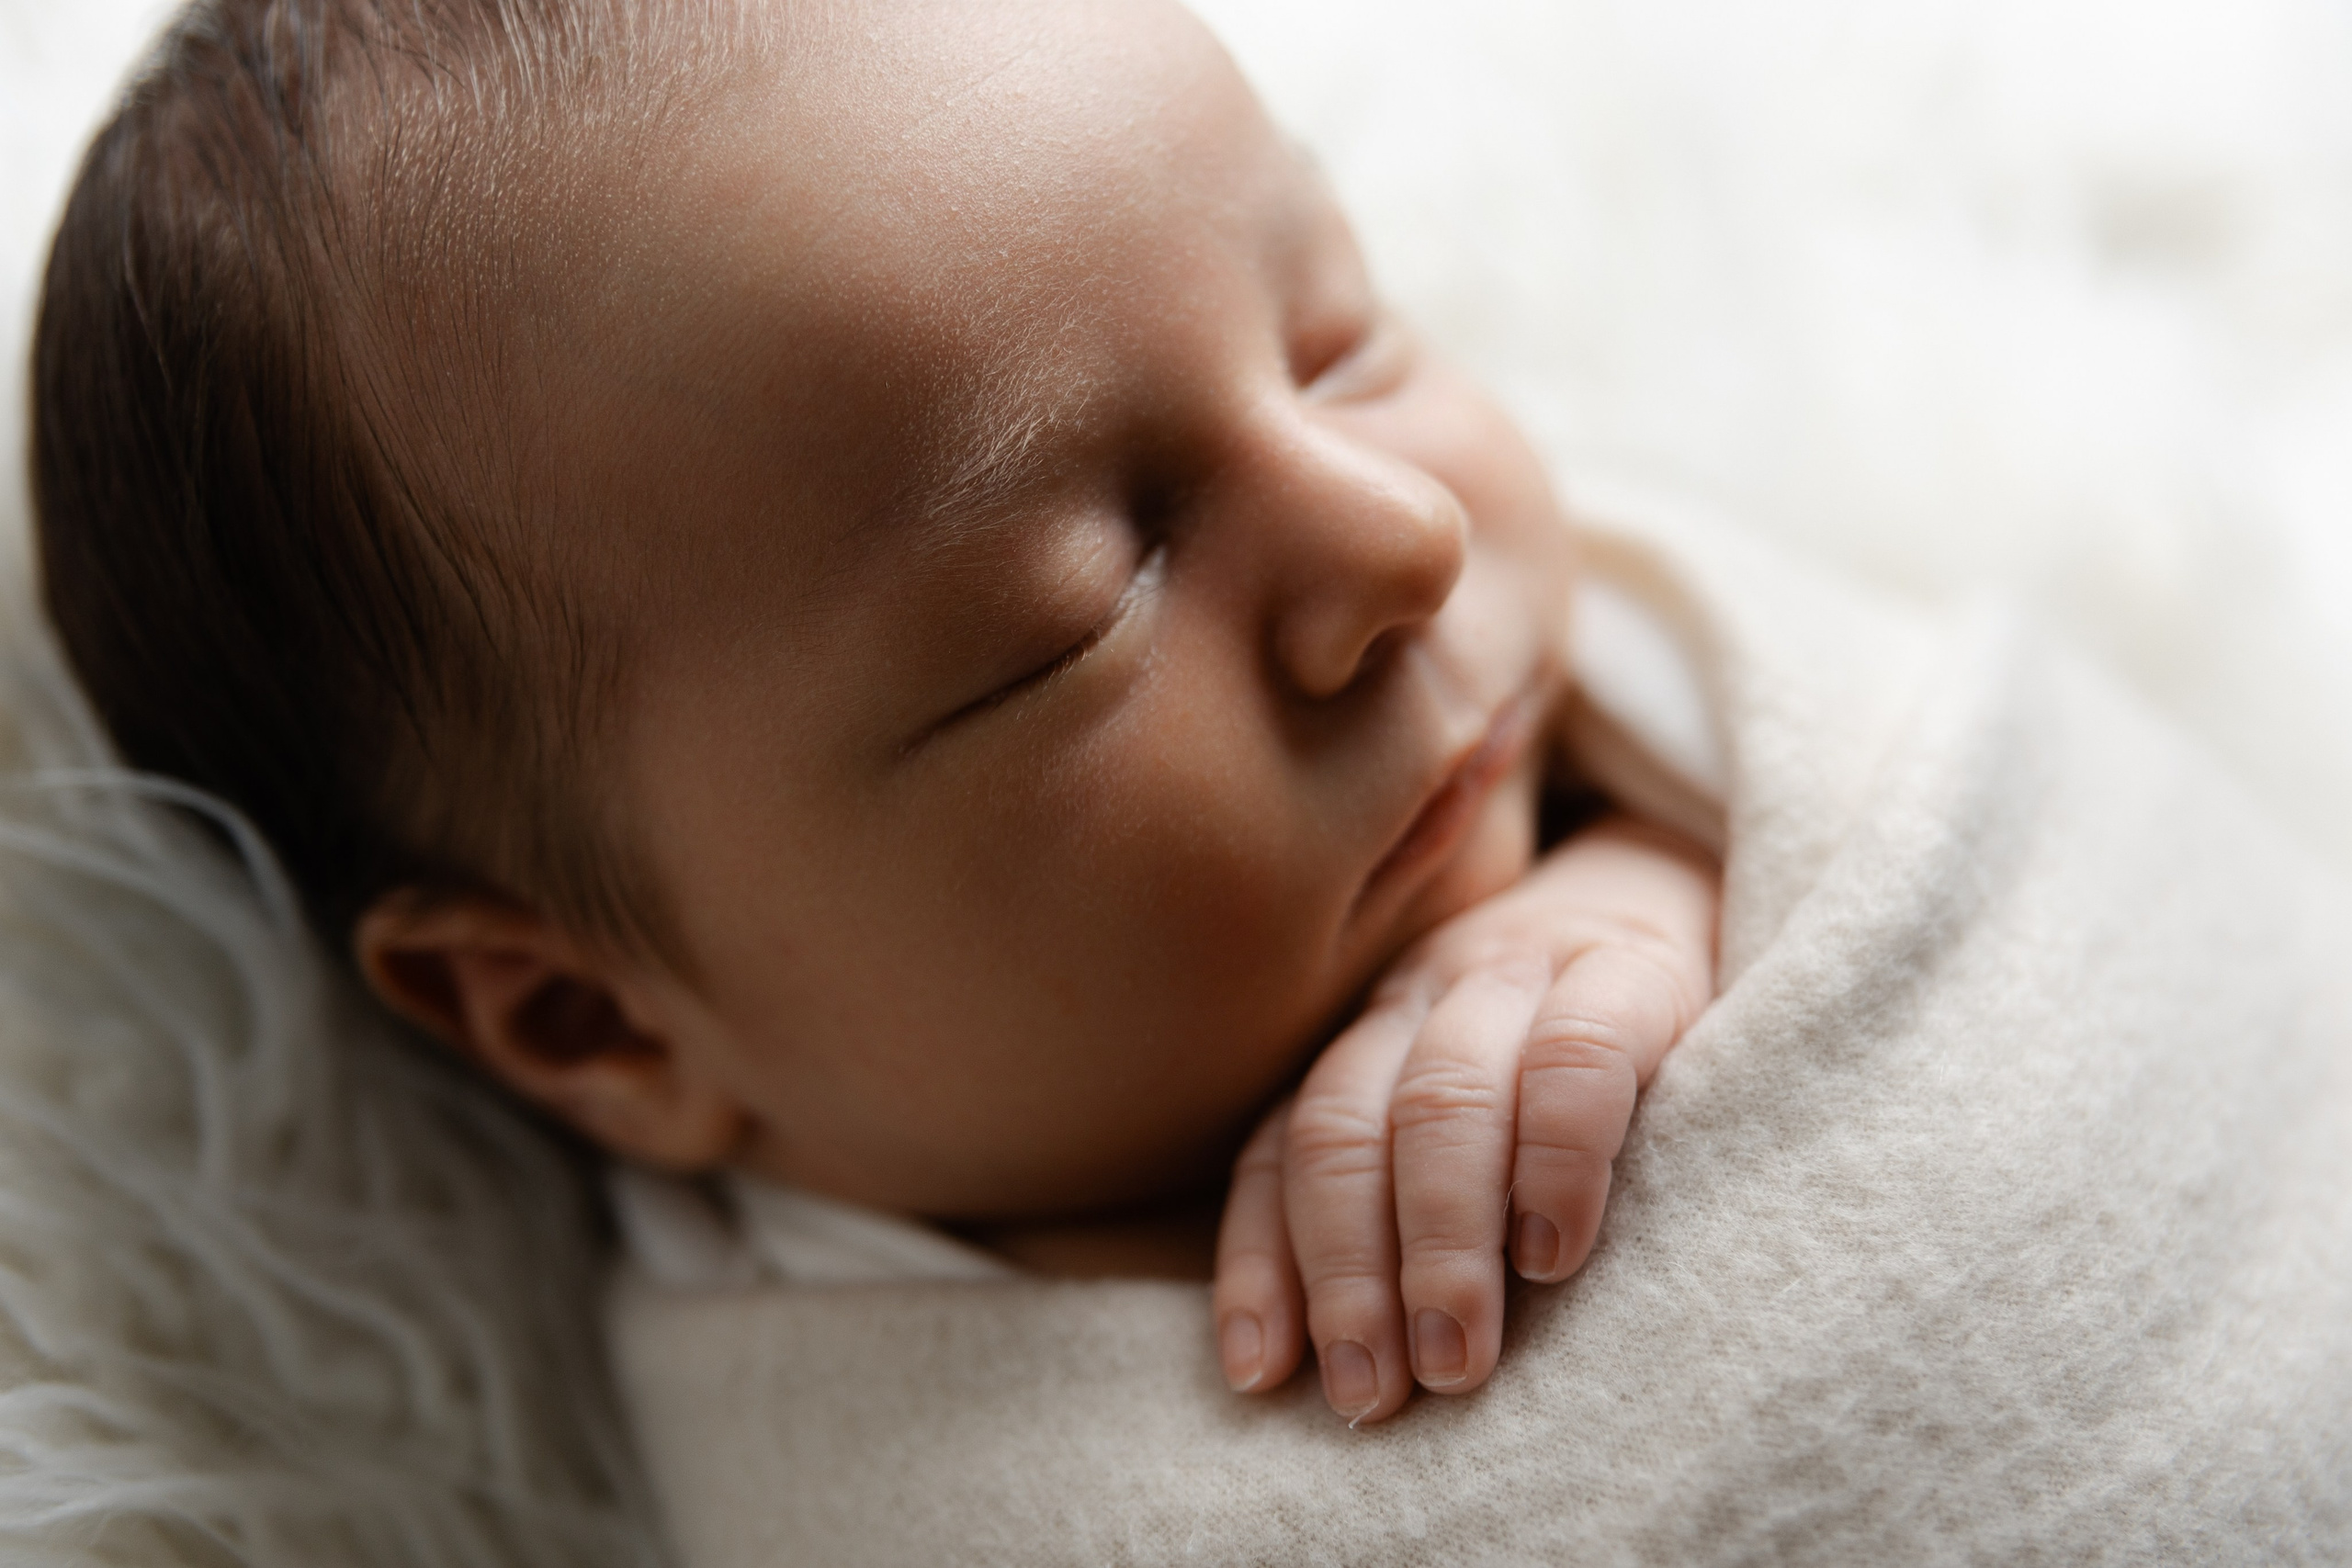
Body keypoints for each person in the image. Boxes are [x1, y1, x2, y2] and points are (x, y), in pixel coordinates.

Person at [30, 0, 1717, 1429]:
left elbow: (1902, 779)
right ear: (583, 1022)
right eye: (1076, 610)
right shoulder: (860, 1449)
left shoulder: (1650, 743)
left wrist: (1654, 874)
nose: (1401, 534)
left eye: (1339, 341)